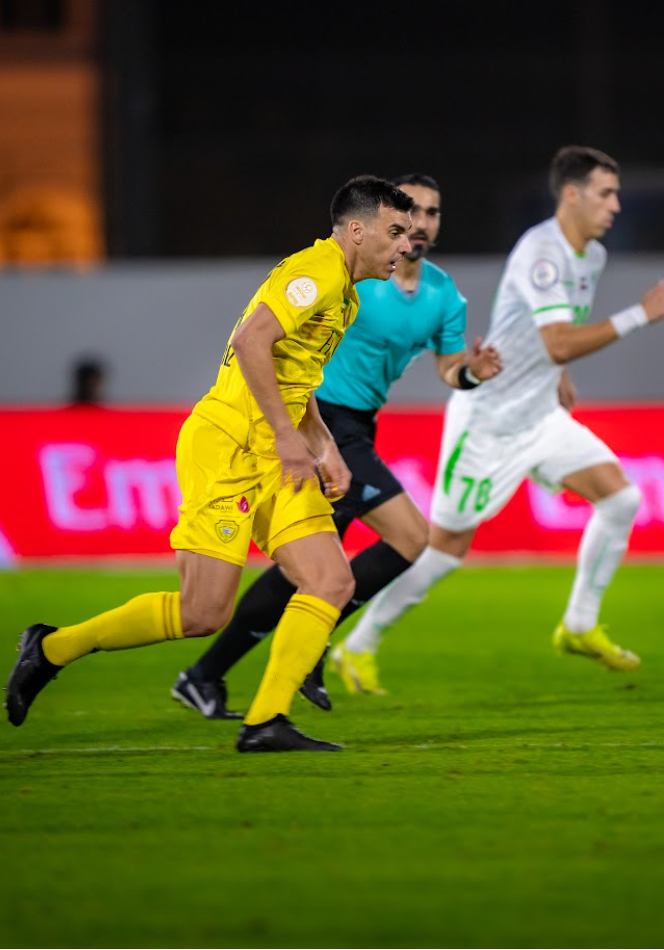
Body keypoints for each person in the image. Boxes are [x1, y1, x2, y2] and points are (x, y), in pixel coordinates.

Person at [3, 175, 414, 752]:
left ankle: (266, 721)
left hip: (276, 454)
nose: (405, 245)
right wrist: (285, 436)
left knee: (330, 579)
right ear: (356, 230)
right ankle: (51, 648)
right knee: (203, 613)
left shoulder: (344, 292)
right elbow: (251, 343)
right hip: (228, 447)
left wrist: (320, 444)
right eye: (395, 231)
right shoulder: (316, 272)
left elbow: (293, 380)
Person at [344, 145, 664, 684]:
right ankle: (358, 645)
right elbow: (557, 341)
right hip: (490, 421)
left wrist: (557, 376)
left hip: (540, 415)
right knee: (443, 550)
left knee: (621, 498)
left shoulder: (591, 256)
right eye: (606, 194)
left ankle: (578, 625)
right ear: (572, 195)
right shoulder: (542, 252)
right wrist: (638, 316)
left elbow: (549, 336)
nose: (616, 206)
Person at [170, 173, 502, 717]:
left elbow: (450, 369)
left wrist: (474, 373)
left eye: (431, 213)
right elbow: (275, 337)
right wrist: (299, 433)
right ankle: (308, 644)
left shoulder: (443, 295)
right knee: (408, 536)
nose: (418, 224)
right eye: (407, 213)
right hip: (324, 422)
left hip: (352, 427)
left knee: (313, 572)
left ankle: (209, 672)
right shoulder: (359, 280)